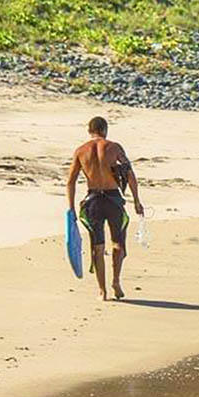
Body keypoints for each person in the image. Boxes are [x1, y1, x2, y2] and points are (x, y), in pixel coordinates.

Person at [66, 116, 144, 300]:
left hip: (93, 201)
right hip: (113, 200)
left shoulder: (80, 151)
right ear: (105, 130)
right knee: (118, 244)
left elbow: (70, 182)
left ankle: (102, 292)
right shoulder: (114, 148)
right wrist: (136, 200)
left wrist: (71, 208)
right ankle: (116, 281)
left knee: (97, 247)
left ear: (89, 130)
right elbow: (129, 174)